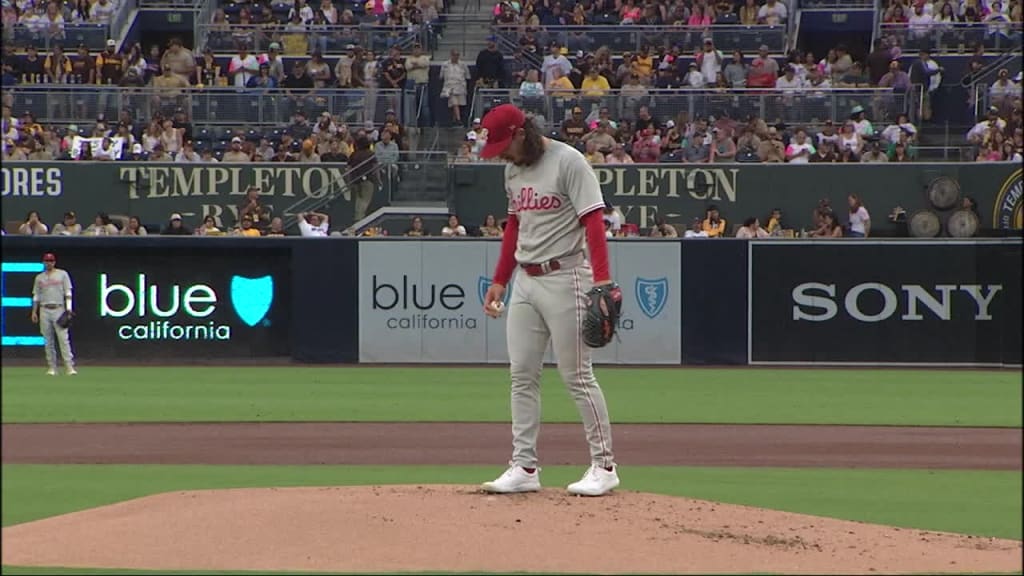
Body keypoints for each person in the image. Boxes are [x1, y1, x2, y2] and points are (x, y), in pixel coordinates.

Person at [479, 104, 620, 497]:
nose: (502, 154)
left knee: (577, 376)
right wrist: (500, 280)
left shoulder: (569, 162)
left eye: (505, 144)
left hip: (566, 276)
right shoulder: (514, 169)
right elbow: (514, 227)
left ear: (522, 132)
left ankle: (604, 465)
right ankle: (524, 466)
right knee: (521, 375)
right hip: (526, 278)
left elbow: (593, 221)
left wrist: (603, 280)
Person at [31, 253, 76, 376]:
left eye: (51, 261)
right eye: (46, 261)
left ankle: (69, 367)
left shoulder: (62, 274)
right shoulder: (39, 278)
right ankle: (52, 367)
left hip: (59, 308)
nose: (49, 263)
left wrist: (69, 309)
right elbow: (36, 296)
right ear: (44, 262)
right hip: (44, 309)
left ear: (54, 262)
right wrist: (34, 312)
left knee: (63, 339)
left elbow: (68, 292)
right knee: (48, 340)